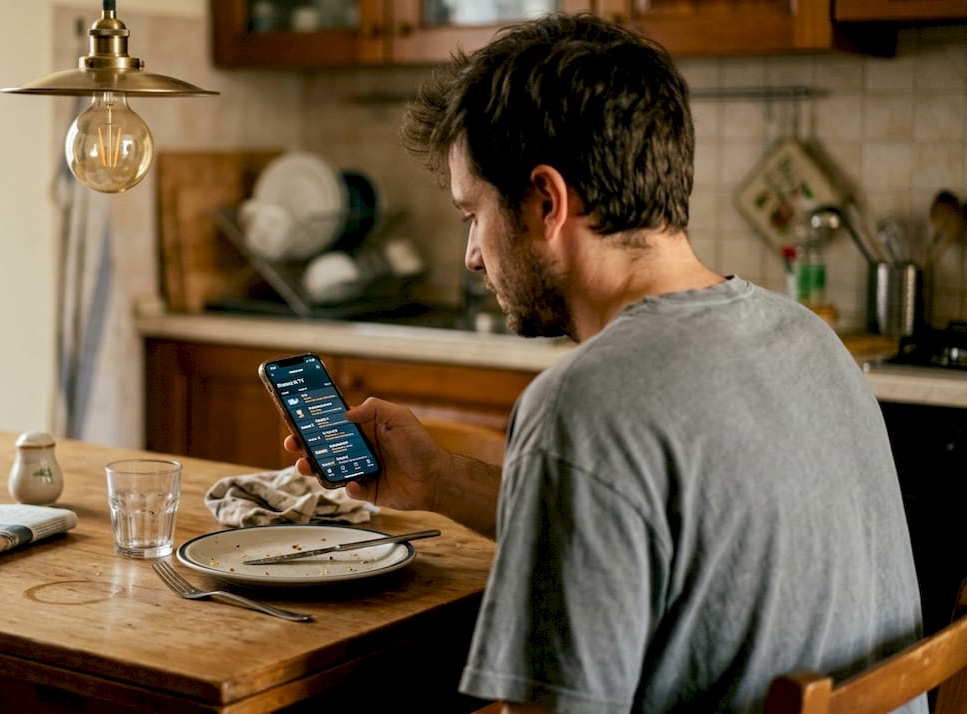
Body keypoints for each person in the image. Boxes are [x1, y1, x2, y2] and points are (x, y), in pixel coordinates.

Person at [282, 13, 925, 714]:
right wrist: (439, 479)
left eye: (474, 215)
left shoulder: (587, 402)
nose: (471, 256)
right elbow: (643, 533)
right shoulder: (807, 338)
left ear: (547, 203)